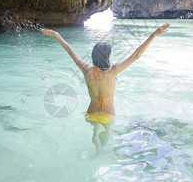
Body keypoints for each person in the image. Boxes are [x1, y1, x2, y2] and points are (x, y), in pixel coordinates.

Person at [42, 23, 170, 154]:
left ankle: (96, 135)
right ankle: (100, 150)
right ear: (107, 57)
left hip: (91, 114)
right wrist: (153, 35)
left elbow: (70, 51)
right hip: (108, 115)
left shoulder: (86, 70)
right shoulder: (113, 71)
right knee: (107, 131)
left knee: (96, 127)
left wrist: (56, 35)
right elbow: (135, 55)